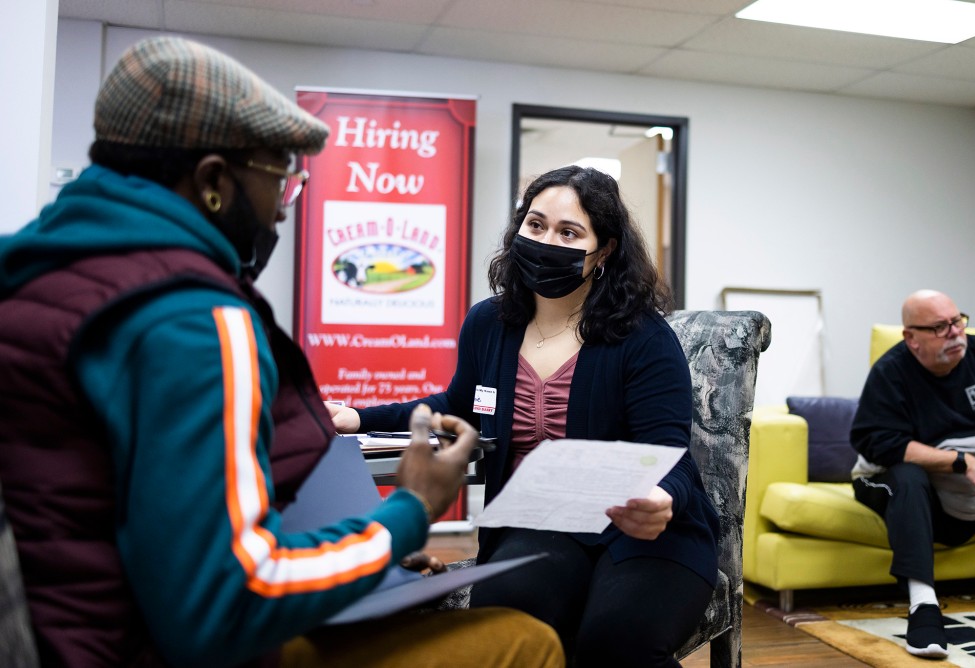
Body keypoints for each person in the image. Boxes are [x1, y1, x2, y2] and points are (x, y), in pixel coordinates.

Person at [0, 36, 563, 668]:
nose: (281, 213)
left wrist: (368, 561)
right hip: (161, 647)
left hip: (75, 629)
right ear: (214, 180)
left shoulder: (30, 274)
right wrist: (405, 513)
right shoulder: (199, 320)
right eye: (282, 181)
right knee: (526, 641)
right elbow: (226, 603)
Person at [330, 165, 720, 666]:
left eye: (569, 232)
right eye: (535, 225)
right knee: (507, 623)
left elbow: (670, 453)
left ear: (603, 251)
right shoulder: (488, 324)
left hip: (644, 534)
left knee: (615, 639)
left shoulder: (641, 337)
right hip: (539, 526)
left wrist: (660, 497)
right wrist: (359, 418)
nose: (546, 241)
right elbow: (457, 407)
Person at [850, 289, 975, 659]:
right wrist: (961, 461)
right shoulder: (891, 372)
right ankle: (923, 606)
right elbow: (876, 442)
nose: (955, 333)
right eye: (940, 327)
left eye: (957, 321)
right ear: (911, 338)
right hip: (918, 494)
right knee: (907, 476)